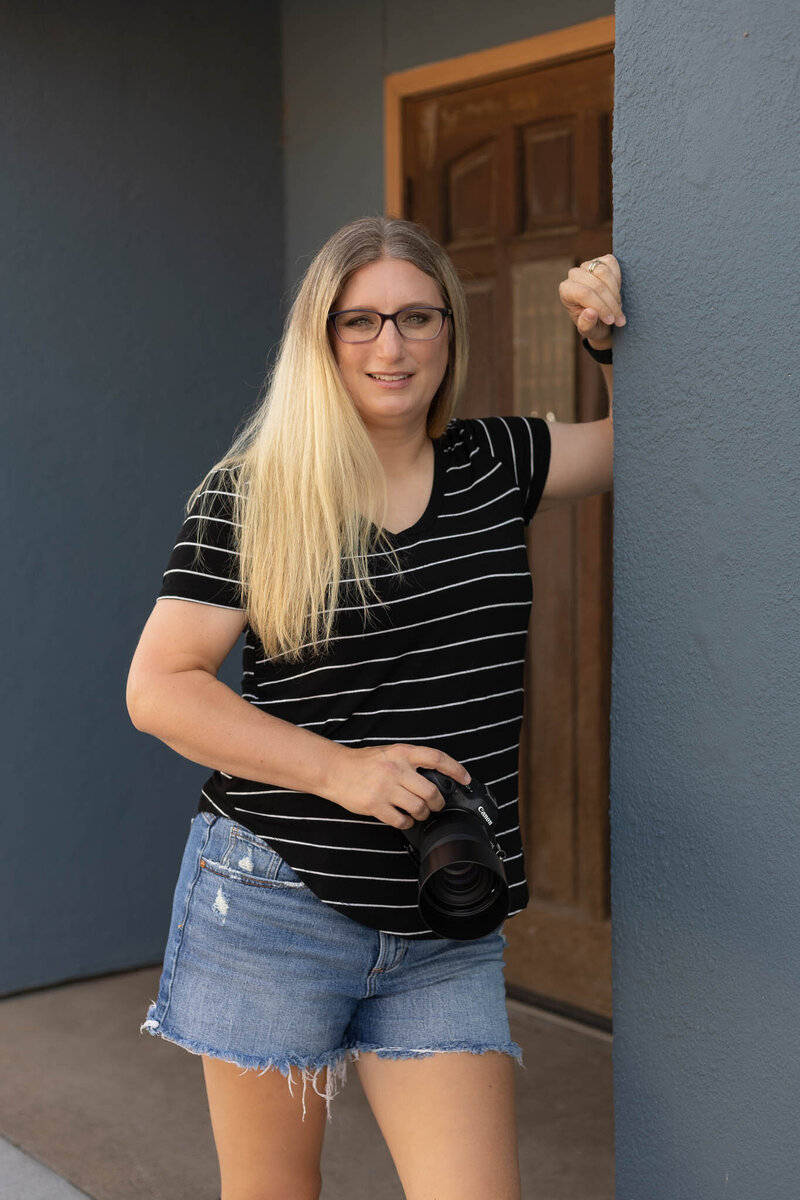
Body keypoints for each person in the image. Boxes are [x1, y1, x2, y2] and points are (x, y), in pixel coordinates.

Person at [126, 216, 623, 1200]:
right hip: (274, 900)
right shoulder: (253, 493)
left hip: (448, 909)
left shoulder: (494, 464)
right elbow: (161, 686)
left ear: (449, 331)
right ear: (321, 336)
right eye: (359, 321)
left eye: (415, 317)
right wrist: (341, 771)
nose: (390, 346)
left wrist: (607, 347)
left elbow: (636, 447)